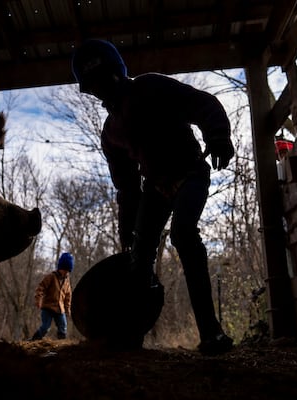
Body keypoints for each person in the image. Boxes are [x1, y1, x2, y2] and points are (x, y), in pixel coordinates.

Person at [71, 39, 235, 355]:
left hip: (190, 172)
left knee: (184, 235)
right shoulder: (111, 131)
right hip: (155, 188)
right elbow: (127, 187)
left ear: (117, 72)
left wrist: (218, 136)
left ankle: (211, 334)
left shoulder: (150, 87)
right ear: (89, 90)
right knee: (138, 257)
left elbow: (202, 104)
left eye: (104, 79)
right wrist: (127, 233)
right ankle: (128, 335)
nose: (100, 89)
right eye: (93, 85)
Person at [30, 252, 74, 340]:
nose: (66, 273)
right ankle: (34, 340)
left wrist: (67, 309)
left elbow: (68, 297)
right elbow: (40, 288)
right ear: (60, 268)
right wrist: (38, 299)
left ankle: (61, 344)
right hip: (48, 307)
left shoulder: (67, 282)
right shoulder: (51, 277)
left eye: (68, 271)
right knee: (45, 327)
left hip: (59, 309)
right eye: (65, 270)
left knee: (63, 327)